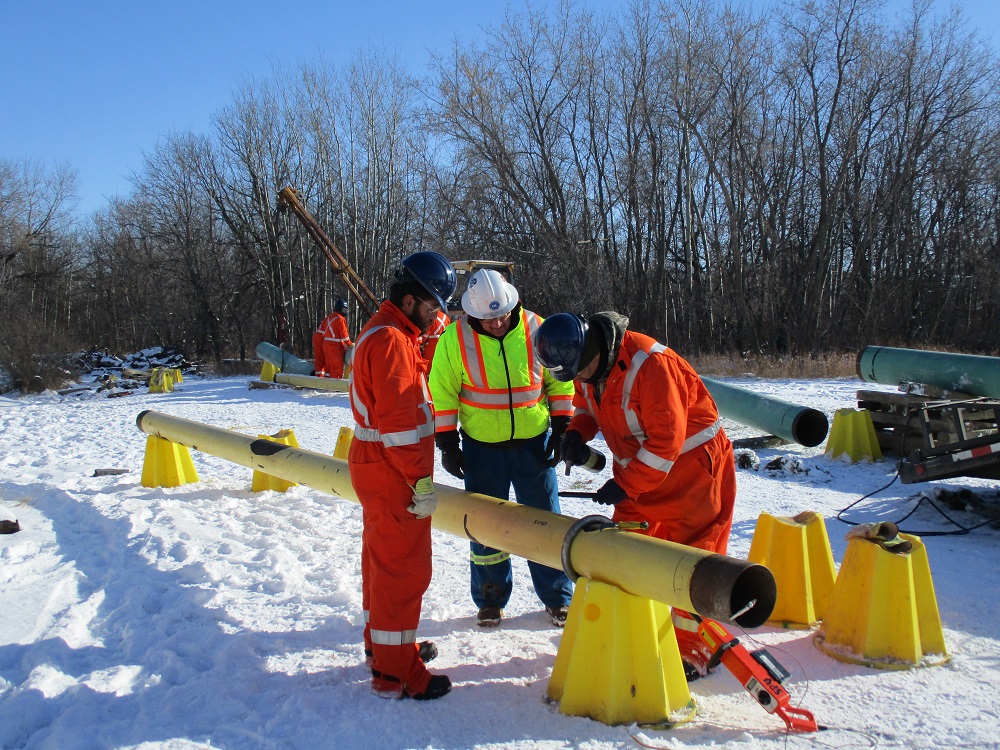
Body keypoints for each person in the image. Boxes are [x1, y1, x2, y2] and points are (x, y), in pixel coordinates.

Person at [533, 311, 737, 677]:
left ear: (589, 350)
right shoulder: (588, 365)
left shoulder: (650, 365)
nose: (577, 380)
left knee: (689, 561)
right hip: (640, 472)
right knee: (622, 552)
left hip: (692, 473)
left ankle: (689, 652)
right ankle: (631, 633)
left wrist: (625, 485)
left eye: (578, 372)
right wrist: (578, 433)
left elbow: (665, 443)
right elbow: (587, 406)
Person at [428, 269, 575, 628]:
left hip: (534, 444)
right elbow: (443, 392)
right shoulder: (453, 339)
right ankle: (490, 598)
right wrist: (447, 442)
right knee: (484, 527)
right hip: (481, 450)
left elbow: (558, 380)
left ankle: (558, 598)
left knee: (545, 523)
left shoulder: (536, 327)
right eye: (489, 318)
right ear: (473, 313)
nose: (497, 323)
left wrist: (562, 425)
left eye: (503, 314)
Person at [347, 251, 456, 701]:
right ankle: (396, 673)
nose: (436, 317)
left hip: (375, 465)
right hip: (394, 471)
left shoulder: (389, 333)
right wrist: (421, 484)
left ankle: (384, 647)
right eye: (432, 307)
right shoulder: (391, 341)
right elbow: (402, 426)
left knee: (381, 562)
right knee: (403, 571)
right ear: (410, 300)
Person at [313, 299, 353, 378]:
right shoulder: (340, 319)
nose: (345, 312)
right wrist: (350, 344)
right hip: (335, 347)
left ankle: (326, 383)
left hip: (326, 345)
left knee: (328, 367)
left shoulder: (329, 317)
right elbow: (344, 335)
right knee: (336, 368)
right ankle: (335, 387)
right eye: (344, 310)